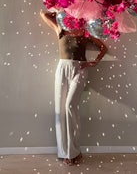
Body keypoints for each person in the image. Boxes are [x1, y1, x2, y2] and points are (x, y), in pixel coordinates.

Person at [40, 10, 107, 165]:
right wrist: (59, 9)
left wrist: (94, 61)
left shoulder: (85, 32)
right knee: (60, 110)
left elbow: (103, 47)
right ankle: (65, 153)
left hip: (80, 69)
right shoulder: (60, 30)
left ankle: (74, 151)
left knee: (70, 106)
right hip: (62, 69)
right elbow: (43, 13)